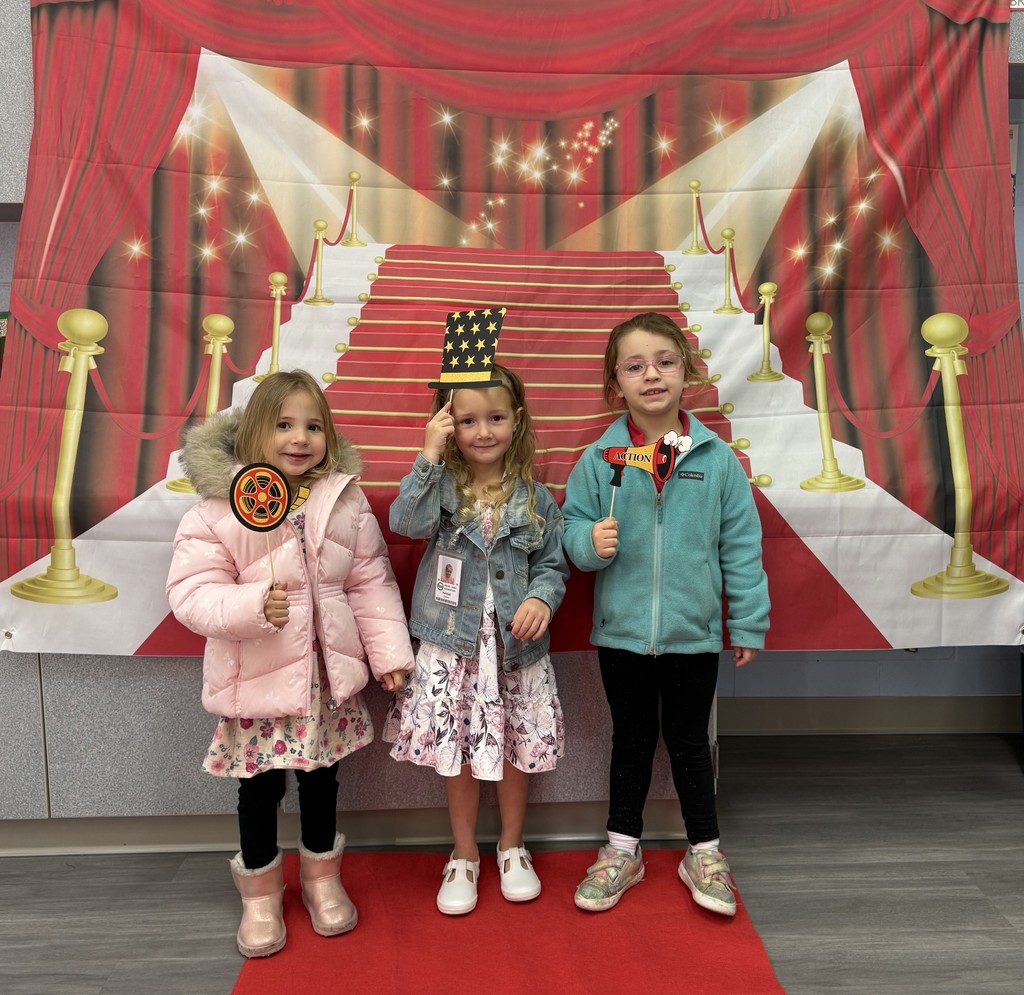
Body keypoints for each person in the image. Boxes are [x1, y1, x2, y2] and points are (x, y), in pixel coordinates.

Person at [166, 370, 413, 957]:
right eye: (283, 425)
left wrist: (389, 655)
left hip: (323, 687)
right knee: (257, 791)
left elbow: (370, 583)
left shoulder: (343, 502)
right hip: (256, 684)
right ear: (255, 431)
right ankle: (260, 893)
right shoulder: (216, 509)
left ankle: (322, 880)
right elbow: (191, 593)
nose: (299, 438)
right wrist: (253, 605)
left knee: (322, 783)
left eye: (312, 426)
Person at [561, 312, 769, 917]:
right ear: (615, 384)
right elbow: (571, 527)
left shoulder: (715, 459)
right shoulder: (600, 460)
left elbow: (741, 546)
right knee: (631, 741)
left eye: (665, 361)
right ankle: (621, 849)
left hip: (693, 636)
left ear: (687, 373)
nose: (652, 374)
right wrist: (586, 544)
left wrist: (748, 622)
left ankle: (703, 850)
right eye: (635, 365)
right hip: (622, 636)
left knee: (689, 743)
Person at [384, 363, 569, 915]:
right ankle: (463, 853)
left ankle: (511, 845)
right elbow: (404, 523)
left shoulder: (536, 499)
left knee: (513, 745)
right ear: (449, 424)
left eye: (495, 417)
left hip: (515, 645)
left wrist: (541, 598)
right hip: (451, 644)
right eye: (467, 420)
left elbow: (552, 567)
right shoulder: (437, 489)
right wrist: (428, 455)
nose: (483, 431)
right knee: (458, 751)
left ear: (517, 420)